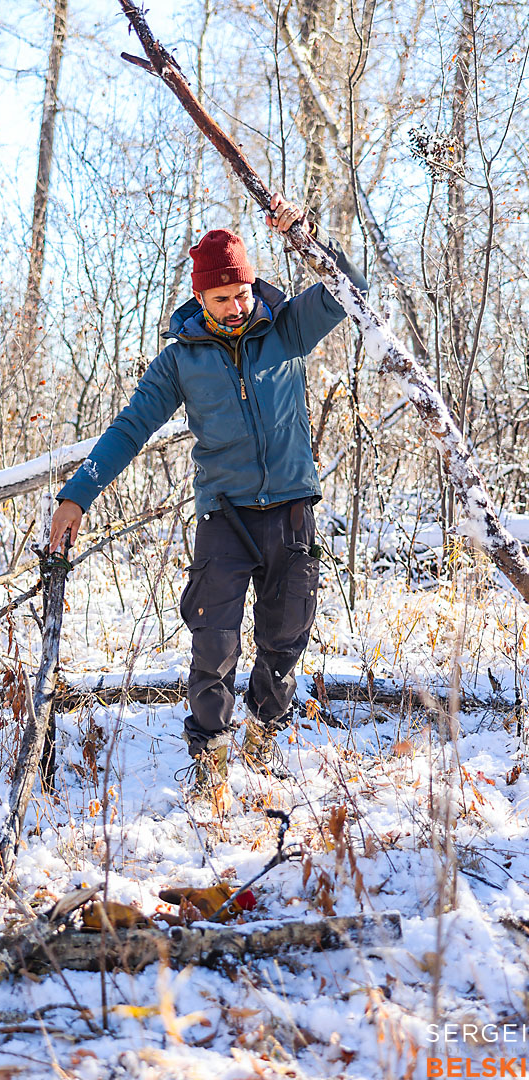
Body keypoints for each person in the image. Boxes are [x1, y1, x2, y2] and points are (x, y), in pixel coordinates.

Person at [49, 193, 368, 814]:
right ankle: (211, 760)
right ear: (200, 299)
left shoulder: (286, 326)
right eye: (221, 298)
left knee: (285, 636)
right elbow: (128, 428)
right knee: (214, 641)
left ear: (252, 285)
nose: (235, 305)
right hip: (224, 514)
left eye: (242, 292)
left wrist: (305, 236)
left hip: (293, 510)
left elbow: (352, 287)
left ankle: (264, 737)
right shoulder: (180, 361)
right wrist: (76, 495)